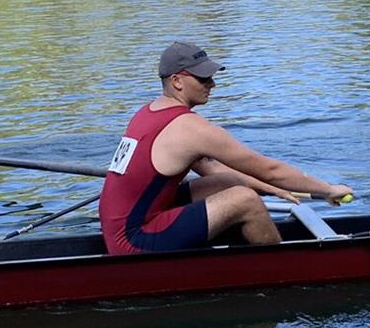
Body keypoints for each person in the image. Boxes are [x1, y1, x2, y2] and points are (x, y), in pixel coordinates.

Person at [99, 41, 353, 255]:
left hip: (122, 223)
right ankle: (282, 268)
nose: (212, 84)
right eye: (203, 78)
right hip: (132, 240)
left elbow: (216, 169)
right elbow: (269, 168)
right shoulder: (189, 127)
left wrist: (273, 190)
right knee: (245, 200)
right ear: (177, 81)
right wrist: (328, 189)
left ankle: (243, 242)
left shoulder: (148, 111)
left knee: (228, 183)